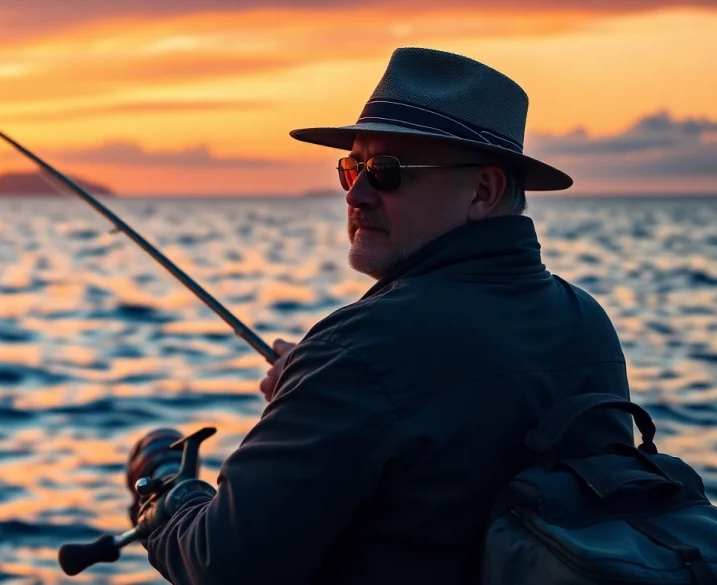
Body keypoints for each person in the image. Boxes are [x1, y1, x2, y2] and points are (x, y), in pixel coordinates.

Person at [136, 47, 633, 584]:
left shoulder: (358, 351)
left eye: (388, 171)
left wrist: (166, 492)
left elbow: (222, 565)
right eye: (352, 168)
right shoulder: (589, 323)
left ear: (483, 191)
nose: (358, 194)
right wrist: (311, 391)